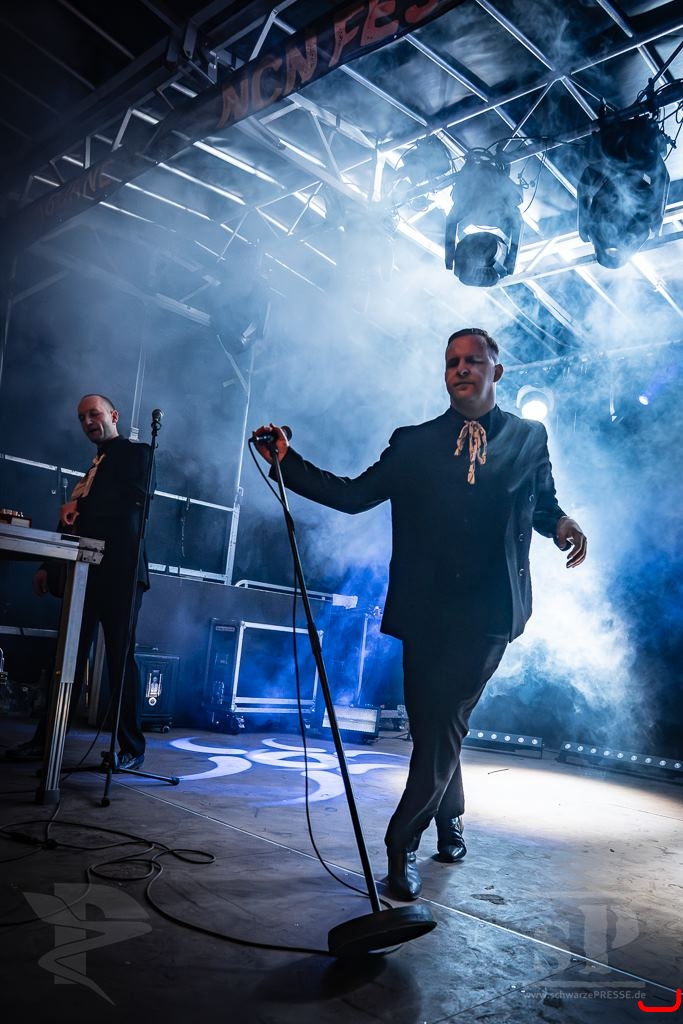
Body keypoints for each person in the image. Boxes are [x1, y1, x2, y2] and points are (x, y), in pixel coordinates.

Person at [252, 327, 587, 902]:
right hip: (427, 610)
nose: (462, 369)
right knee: (433, 727)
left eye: (473, 360)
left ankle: (400, 843)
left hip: (490, 612)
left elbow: (542, 503)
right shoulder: (414, 443)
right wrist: (289, 463)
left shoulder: (529, 437)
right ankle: (450, 819)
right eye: (453, 361)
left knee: (445, 721)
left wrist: (562, 525)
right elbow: (353, 495)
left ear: (497, 371)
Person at [5, 394, 153, 771]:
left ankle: (131, 748)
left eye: (94, 413)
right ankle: (47, 741)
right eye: (82, 417)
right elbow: (73, 522)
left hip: (120, 571)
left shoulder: (136, 453)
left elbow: (131, 500)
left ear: (113, 415)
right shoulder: (92, 470)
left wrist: (81, 506)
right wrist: (47, 564)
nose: (88, 421)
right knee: (66, 657)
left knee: (120, 660)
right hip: (84, 572)